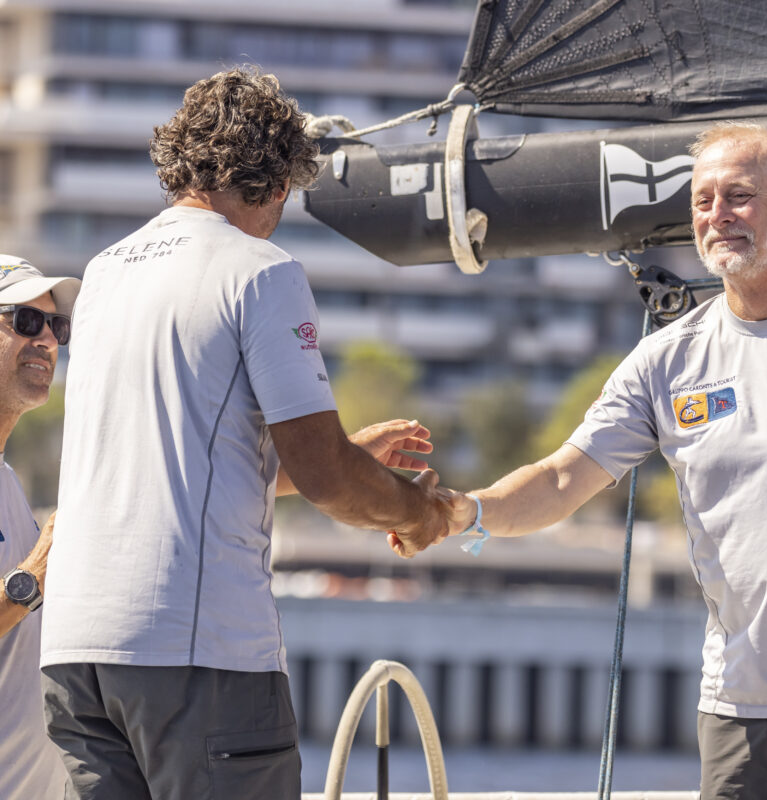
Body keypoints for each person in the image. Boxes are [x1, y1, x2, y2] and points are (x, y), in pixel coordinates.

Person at [39, 67, 450, 800]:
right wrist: (419, 512)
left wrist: (351, 455)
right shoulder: (262, 271)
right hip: (197, 653)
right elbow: (326, 478)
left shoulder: (102, 275)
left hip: (76, 655)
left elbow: (185, 461)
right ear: (278, 184)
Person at [393, 121, 767, 800]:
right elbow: (561, 478)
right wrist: (462, 512)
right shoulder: (668, 362)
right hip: (737, 706)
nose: (717, 216)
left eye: (738, 197)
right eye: (702, 201)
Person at [0, 256, 80, 799]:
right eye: (26, 321)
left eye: (57, 327)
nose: (47, 340)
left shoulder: (8, 481)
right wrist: (35, 574)